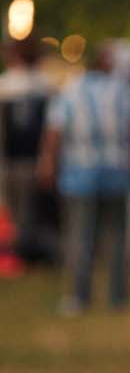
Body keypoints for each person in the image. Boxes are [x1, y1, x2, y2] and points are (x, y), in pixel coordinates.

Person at [37, 42, 130, 315]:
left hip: (80, 172)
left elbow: (55, 130)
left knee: (80, 236)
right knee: (116, 237)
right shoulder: (122, 91)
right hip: (116, 170)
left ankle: (80, 297)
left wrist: (48, 163)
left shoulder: (72, 89)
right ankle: (117, 297)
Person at [0, 37, 54, 268]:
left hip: (13, 159)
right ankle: (26, 252)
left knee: (16, 210)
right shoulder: (45, 84)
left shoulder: (6, 85)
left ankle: (20, 253)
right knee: (31, 211)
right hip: (35, 159)